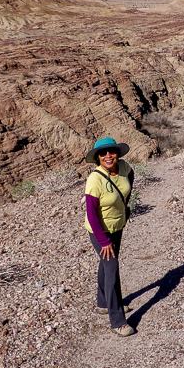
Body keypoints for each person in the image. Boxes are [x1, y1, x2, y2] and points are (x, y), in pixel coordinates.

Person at [83, 136, 136, 337]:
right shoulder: (94, 179)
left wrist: (125, 205)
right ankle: (117, 321)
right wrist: (104, 241)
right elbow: (91, 213)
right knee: (112, 268)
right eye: (102, 153)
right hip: (100, 231)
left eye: (111, 151)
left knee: (106, 264)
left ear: (117, 153)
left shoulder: (123, 167)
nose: (108, 156)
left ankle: (103, 302)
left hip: (117, 226)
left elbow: (131, 176)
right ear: (97, 157)